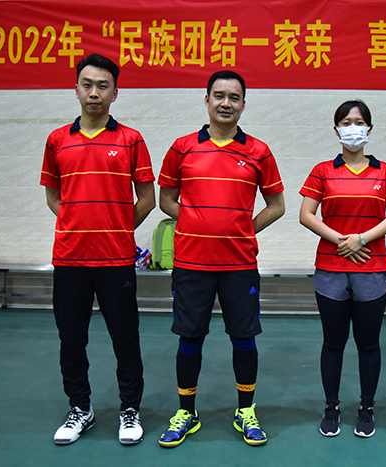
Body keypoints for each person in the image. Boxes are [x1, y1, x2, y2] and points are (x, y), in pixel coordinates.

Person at [157, 70, 285, 448]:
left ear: (243, 104)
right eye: (219, 95)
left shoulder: (258, 151)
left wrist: (243, 229)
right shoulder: (182, 148)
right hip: (191, 265)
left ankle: (246, 411)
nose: (225, 103)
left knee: (244, 339)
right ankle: (187, 412)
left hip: (239, 266)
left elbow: (276, 205)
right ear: (207, 100)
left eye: (234, 97)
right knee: (189, 339)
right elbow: (166, 199)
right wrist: (194, 221)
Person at [40, 53, 156, 445]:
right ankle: (80, 409)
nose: (94, 93)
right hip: (69, 259)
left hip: (116, 260)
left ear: (115, 93)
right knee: (71, 339)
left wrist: (117, 229)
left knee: (125, 338)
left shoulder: (131, 140)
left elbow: (147, 198)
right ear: (75, 90)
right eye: (87, 85)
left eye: (103, 86)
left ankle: (129, 410)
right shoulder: (57, 140)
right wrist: (76, 223)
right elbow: (53, 195)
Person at [299, 100, 386, 438]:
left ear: (369, 129)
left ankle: (366, 407)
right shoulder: (322, 171)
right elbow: (306, 214)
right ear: (336, 130)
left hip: (372, 269)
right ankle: (331, 407)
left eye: (359, 122)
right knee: (333, 343)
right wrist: (341, 241)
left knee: (368, 344)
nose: (353, 128)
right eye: (346, 122)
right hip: (331, 269)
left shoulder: (384, 171)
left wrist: (361, 239)